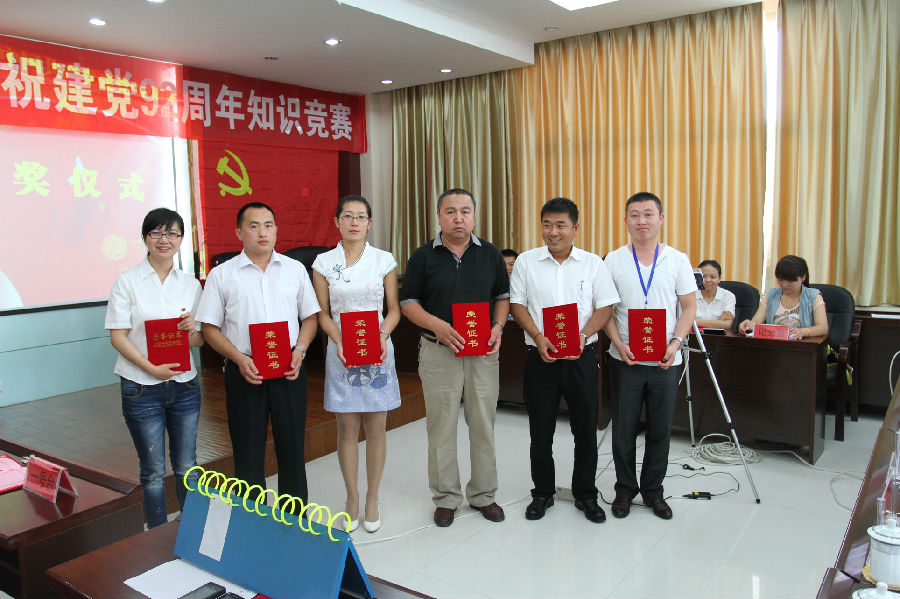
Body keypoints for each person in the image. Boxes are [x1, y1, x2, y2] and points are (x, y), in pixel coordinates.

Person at [196, 202, 320, 504]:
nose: (262, 232)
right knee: (247, 451)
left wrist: (300, 350)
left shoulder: (295, 270)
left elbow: (310, 318)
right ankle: (252, 519)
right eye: (253, 226)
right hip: (244, 370)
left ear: (276, 230)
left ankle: (294, 518)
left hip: (289, 367)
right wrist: (239, 359)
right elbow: (209, 328)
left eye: (268, 225)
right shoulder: (222, 275)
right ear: (239, 233)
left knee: (292, 448)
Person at [400, 188, 510, 527]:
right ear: (439, 216)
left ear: (474, 215)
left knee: (483, 426)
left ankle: (483, 494)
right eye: (450, 211)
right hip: (439, 352)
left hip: (482, 354)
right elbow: (408, 303)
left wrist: (498, 327)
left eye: (465, 211)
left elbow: (502, 296)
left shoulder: (490, 254)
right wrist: (438, 325)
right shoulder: (423, 256)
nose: (458, 218)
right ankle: (446, 497)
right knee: (441, 428)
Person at [509, 198, 619, 523]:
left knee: (585, 431)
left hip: (581, 358)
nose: (553, 232)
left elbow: (605, 306)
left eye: (560, 225)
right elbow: (517, 304)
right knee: (540, 431)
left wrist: (584, 335)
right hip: (540, 357)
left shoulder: (593, 264)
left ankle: (586, 494)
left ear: (575, 228)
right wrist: (538, 336)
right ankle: (542, 493)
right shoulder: (527, 262)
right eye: (547, 225)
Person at [104, 207, 204, 528]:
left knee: (187, 465)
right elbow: (118, 337)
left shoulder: (190, 284)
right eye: (156, 233)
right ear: (145, 238)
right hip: (141, 387)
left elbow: (199, 341)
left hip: (184, 386)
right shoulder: (127, 281)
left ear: (181, 239)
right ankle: (157, 535)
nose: (164, 240)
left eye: (172, 233)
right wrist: (151, 368)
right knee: (153, 471)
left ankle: (190, 530)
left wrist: (192, 329)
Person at [604, 192, 697, 521]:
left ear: (660, 219)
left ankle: (654, 491)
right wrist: (618, 343)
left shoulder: (677, 259)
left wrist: (676, 343)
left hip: (665, 361)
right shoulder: (613, 260)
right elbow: (605, 310)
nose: (641, 221)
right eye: (634, 215)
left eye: (647, 214)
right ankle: (624, 490)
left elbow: (689, 307)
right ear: (626, 220)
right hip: (625, 360)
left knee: (660, 430)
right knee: (624, 430)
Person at [312, 195, 401, 533]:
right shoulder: (323, 263)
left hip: (377, 350)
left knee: (376, 427)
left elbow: (393, 310)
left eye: (360, 217)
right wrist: (338, 340)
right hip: (341, 352)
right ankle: (352, 498)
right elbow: (322, 313)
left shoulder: (383, 260)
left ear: (369, 223)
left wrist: (382, 335)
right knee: (347, 429)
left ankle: (372, 498)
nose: (354, 222)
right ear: (337, 221)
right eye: (347, 216)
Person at [738, 255, 828, 340]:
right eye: (780, 280)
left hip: (803, 346)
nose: (784, 284)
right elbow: (757, 322)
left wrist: (804, 332)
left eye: (790, 281)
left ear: (803, 277)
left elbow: (823, 327)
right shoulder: (771, 295)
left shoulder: (813, 296)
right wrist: (748, 325)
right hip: (774, 345)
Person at [695, 259, 736, 330]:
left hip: (718, 336)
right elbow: (685, 322)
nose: (708, 280)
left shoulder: (728, 296)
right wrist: (719, 321)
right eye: (704, 276)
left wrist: (695, 321)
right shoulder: (691, 295)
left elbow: (727, 325)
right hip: (694, 336)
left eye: (713, 277)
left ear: (719, 279)